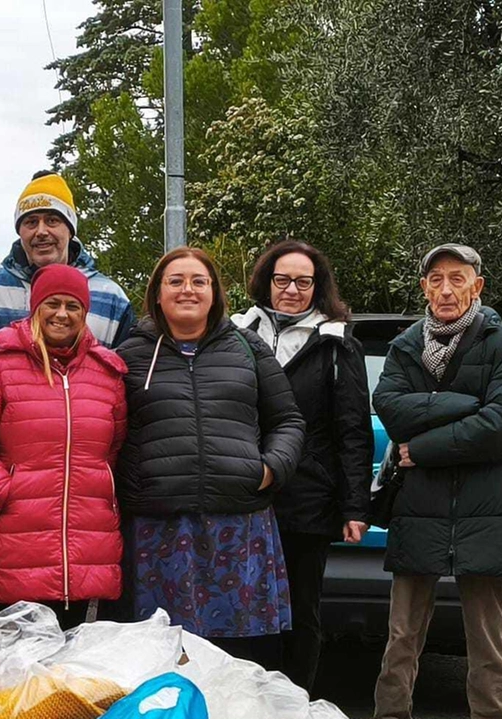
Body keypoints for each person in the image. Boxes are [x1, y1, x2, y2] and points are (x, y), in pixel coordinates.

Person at [114, 247, 305, 668]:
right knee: (161, 657)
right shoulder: (130, 354)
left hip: (238, 527)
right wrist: (134, 484)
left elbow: (288, 420)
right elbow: (109, 432)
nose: (188, 290)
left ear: (215, 293)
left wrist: (270, 469)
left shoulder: (247, 347)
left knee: (236, 661)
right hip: (159, 530)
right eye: (176, 281)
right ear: (157, 294)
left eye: (199, 281)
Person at [371, 244, 502, 719]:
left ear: (476, 286)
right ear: (424, 286)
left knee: (487, 637)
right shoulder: (405, 345)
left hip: (490, 508)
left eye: (457, 279)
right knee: (401, 634)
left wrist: (420, 449)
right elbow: (393, 409)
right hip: (419, 505)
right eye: (436, 279)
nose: (446, 289)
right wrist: (470, 403)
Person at [231, 240, 374, 692]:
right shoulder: (235, 333)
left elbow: (353, 430)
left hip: (308, 500)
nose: (292, 289)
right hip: (242, 495)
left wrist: (355, 506)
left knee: (299, 611)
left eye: (303, 282)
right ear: (266, 282)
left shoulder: (337, 343)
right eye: (283, 280)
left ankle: (292, 701)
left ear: (318, 287)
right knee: (241, 609)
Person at [0, 264, 128, 630]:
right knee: (23, 671)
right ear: (35, 308)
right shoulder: (0, 365)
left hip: (89, 541)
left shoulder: (108, 373)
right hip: (20, 536)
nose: (62, 314)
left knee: (76, 672)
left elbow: (113, 447)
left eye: (73, 306)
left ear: (85, 313)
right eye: (52, 304)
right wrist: (2, 490)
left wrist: (101, 490)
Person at [0, 171, 135, 348]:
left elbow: (125, 367)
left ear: (70, 230)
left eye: (52, 220)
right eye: (31, 222)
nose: (41, 231)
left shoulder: (110, 298)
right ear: (20, 231)